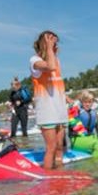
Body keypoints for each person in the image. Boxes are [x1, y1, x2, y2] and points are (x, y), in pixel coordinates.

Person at [30, 30, 68, 169]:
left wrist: (66, 98)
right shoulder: (35, 60)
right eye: (52, 42)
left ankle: (60, 174)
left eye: (56, 43)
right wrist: (49, 48)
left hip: (59, 109)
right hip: (47, 111)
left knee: (59, 147)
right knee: (51, 147)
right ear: (44, 44)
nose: (55, 46)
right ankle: (49, 177)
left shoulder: (57, 60)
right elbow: (50, 67)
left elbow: (56, 82)